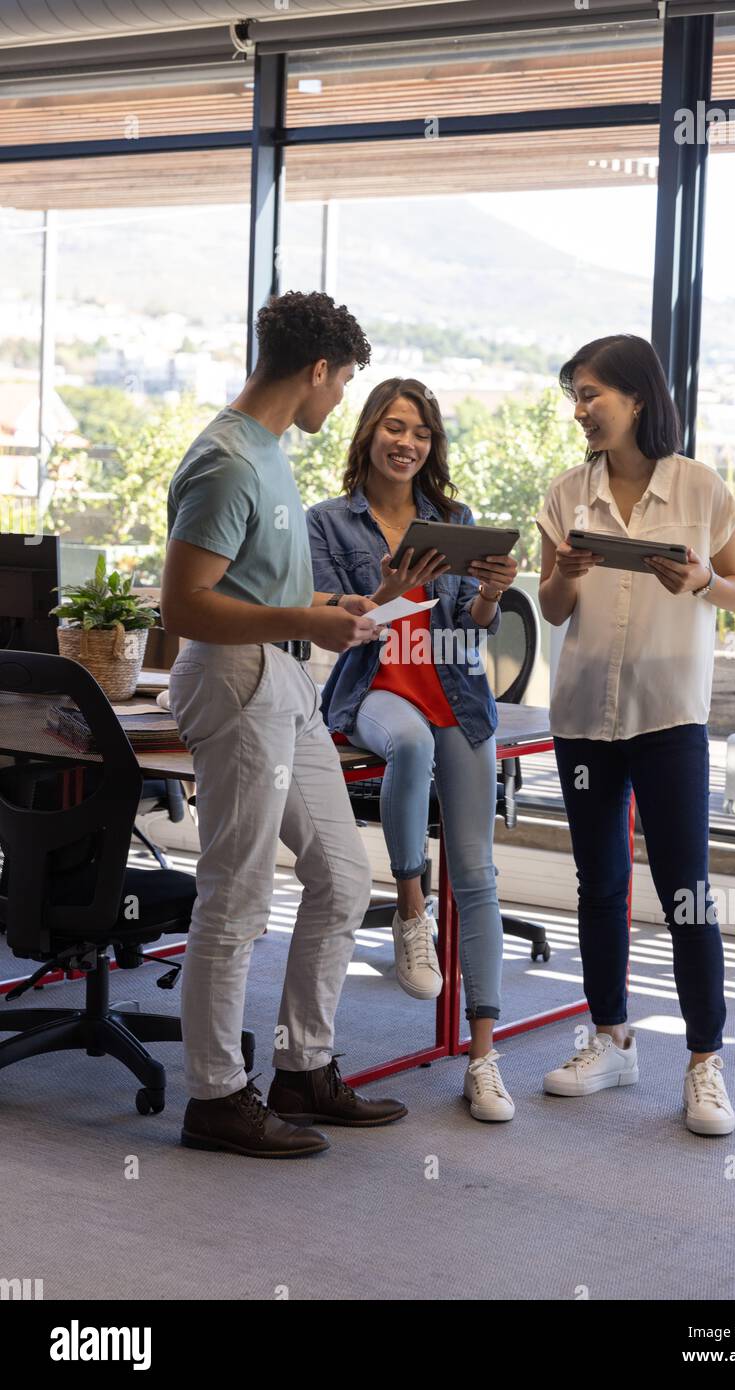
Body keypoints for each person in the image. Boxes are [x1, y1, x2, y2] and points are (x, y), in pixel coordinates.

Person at [162, 290, 408, 1159]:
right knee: (236, 892)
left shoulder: (268, 451)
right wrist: (305, 622)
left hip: (283, 682)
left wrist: (316, 606)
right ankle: (215, 1096)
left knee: (342, 877)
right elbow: (184, 607)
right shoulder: (228, 460)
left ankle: (302, 1066)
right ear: (314, 371)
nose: (339, 397)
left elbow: (253, 588)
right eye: (341, 381)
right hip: (236, 683)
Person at [536, 334, 735, 1137]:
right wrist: (564, 572)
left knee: (685, 894)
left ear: (637, 397)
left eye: (593, 393)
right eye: (576, 397)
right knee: (598, 885)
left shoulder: (698, 487)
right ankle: (611, 1036)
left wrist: (697, 578)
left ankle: (704, 1062)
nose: (582, 410)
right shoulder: (566, 492)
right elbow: (552, 610)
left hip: (668, 720)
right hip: (585, 718)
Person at [306, 377, 519, 1122]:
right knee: (408, 749)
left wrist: (490, 591)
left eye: (422, 432)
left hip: (456, 690)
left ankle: (484, 1057)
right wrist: (391, 591)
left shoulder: (450, 519)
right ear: (367, 434)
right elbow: (334, 623)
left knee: (480, 872)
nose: (408, 443)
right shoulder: (327, 523)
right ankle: (409, 909)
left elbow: (472, 622)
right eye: (395, 427)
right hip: (376, 689)